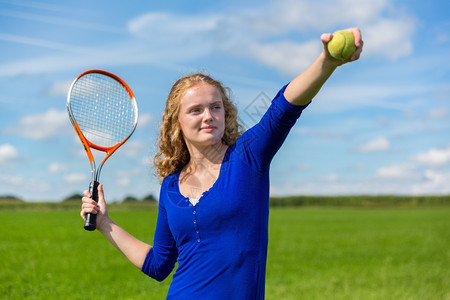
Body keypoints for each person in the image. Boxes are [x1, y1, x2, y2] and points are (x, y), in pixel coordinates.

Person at [81, 28, 363, 299]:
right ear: (176, 122)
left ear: (225, 113)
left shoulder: (247, 157)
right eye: (195, 110)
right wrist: (105, 223)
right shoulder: (170, 187)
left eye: (215, 107)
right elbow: (158, 264)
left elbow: (283, 108)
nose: (208, 116)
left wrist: (326, 63)